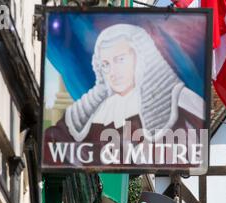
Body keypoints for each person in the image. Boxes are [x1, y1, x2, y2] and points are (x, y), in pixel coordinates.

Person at [44, 23, 205, 166]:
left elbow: (194, 147)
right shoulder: (94, 109)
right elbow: (57, 145)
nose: (112, 72)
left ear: (142, 57)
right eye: (105, 64)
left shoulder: (185, 103)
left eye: (120, 60)